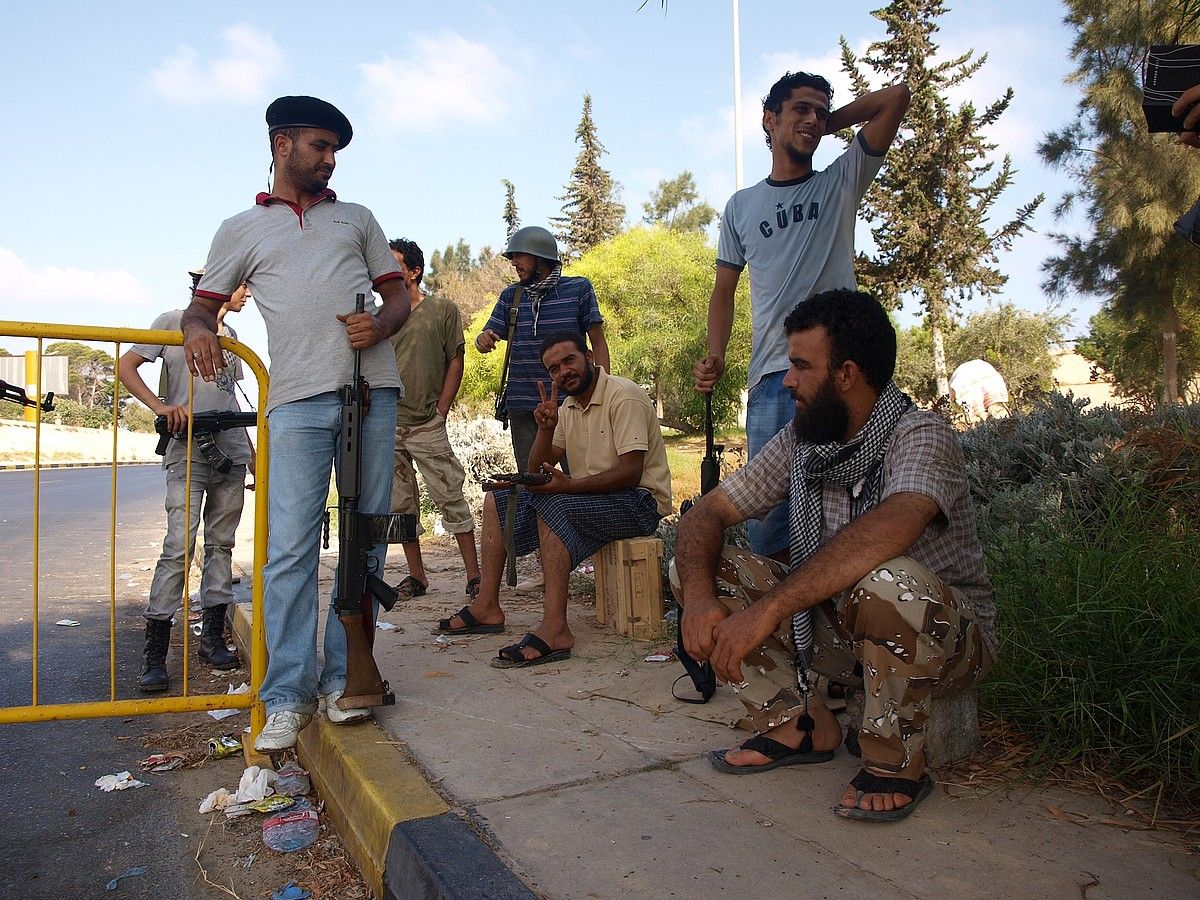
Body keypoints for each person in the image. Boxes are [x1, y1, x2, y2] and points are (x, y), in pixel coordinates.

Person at [675, 289, 995, 822]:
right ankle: (797, 723)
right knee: (704, 570)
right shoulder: (804, 440)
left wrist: (770, 608)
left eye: (801, 366)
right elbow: (706, 515)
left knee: (889, 581)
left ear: (846, 374)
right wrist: (700, 599)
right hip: (844, 630)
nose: (788, 381)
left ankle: (897, 764)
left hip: (945, 643)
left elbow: (892, 527)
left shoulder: (921, 434)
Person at [182, 95, 411, 751]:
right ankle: (285, 695)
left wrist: (382, 323)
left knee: (366, 541)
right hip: (296, 399)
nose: (330, 159)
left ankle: (349, 682)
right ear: (282, 144)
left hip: (372, 392)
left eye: (335, 148)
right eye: (319, 145)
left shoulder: (358, 218)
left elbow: (397, 296)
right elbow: (201, 309)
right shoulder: (240, 230)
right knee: (289, 549)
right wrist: (201, 335)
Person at [694, 71, 910, 559]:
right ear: (769, 120)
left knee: (844, 509)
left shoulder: (841, 181)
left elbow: (896, 98)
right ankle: (766, 630)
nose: (811, 119)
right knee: (768, 521)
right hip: (774, 376)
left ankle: (832, 627)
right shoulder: (741, 207)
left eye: (820, 110)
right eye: (800, 110)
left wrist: (832, 122)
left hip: (840, 377)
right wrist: (715, 356)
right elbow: (723, 291)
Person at [435, 332, 671, 668]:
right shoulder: (569, 406)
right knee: (498, 501)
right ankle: (487, 605)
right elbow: (538, 470)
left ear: (589, 357)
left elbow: (631, 473)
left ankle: (556, 628)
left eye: (569, 361)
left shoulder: (623, 395)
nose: (563, 372)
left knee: (554, 504)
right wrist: (545, 431)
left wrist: (567, 487)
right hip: (594, 500)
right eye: (554, 369)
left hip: (638, 502)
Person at [117, 270, 255, 692]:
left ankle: (212, 639)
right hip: (187, 445)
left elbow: (229, 398)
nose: (246, 292)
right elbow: (127, 366)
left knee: (221, 543)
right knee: (179, 544)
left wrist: (252, 457)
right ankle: (155, 653)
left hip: (228, 447)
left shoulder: (229, 334)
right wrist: (162, 407)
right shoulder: (171, 322)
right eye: (240, 284)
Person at [475, 225, 610, 593]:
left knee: (584, 480)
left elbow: (596, 340)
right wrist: (484, 339)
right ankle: (548, 566)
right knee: (536, 482)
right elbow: (489, 335)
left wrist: (605, 389)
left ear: (540, 256)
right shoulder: (511, 297)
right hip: (524, 408)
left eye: (518, 256)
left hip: (574, 404)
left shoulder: (578, 289)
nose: (514, 263)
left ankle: (598, 562)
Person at [385, 237, 481, 600]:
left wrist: (442, 408)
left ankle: (474, 576)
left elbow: (455, 359)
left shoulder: (442, 310)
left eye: (395, 263)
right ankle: (416, 576)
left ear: (414, 271)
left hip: (427, 423)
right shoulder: (382, 317)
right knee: (400, 505)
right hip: (389, 426)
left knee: (449, 494)